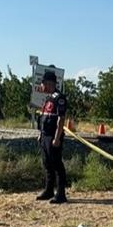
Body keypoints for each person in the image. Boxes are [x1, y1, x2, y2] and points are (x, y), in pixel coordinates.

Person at [34, 70, 68, 204]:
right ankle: (48, 191)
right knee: (47, 164)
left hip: (53, 136)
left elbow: (61, 120)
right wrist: (40, 134)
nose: (41, 86)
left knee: (57, 165)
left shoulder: (59, 98)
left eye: (42, 84)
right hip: (45, 136)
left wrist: (57, 138)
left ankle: (61, 194)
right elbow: (44, 118)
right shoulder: (48, 98)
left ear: (48, 83)